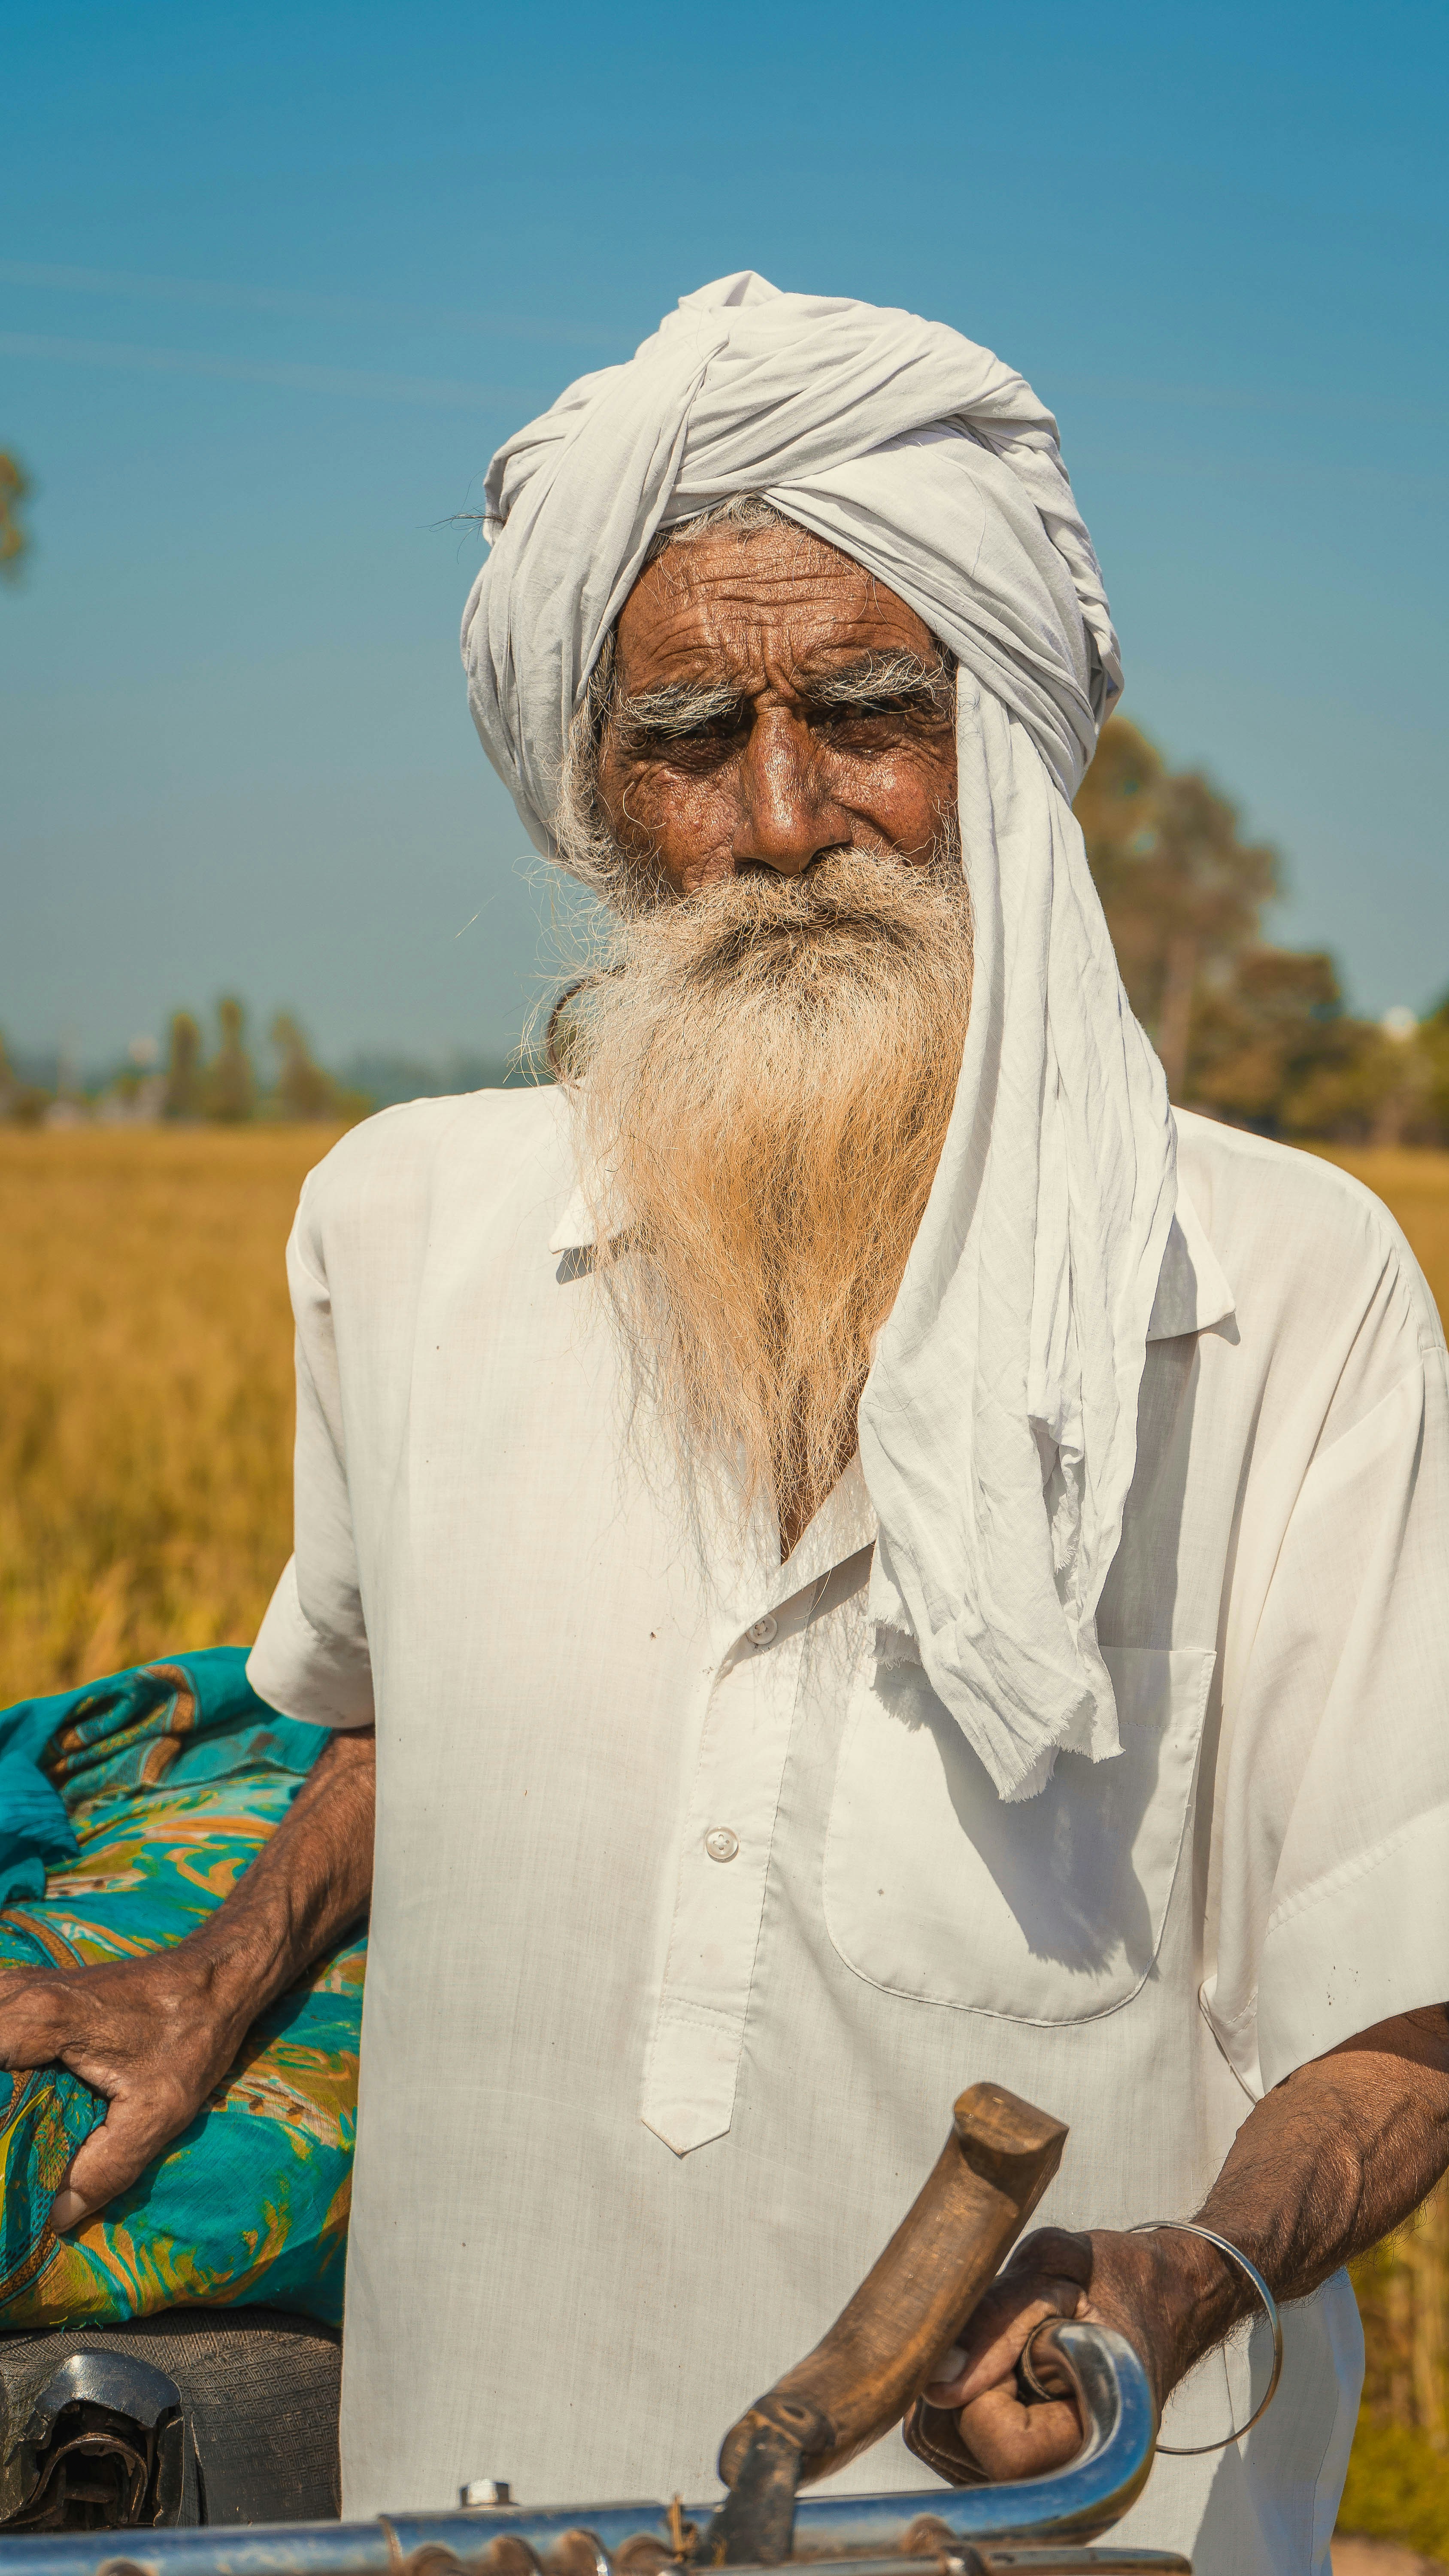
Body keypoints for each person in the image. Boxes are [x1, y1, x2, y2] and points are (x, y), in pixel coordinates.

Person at [4, 273, 1449, 2574]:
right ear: (594, 796)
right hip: (466, 2511)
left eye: (869, 710)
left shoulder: (1282, 1292)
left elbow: (1403, 2005)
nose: (787, 820)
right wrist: (216, 1975)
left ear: (1001, 732)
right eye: (689, 733)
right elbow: (399, 1727)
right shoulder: (402, 1230)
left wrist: (1186, 2284)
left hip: (1049, 2537)